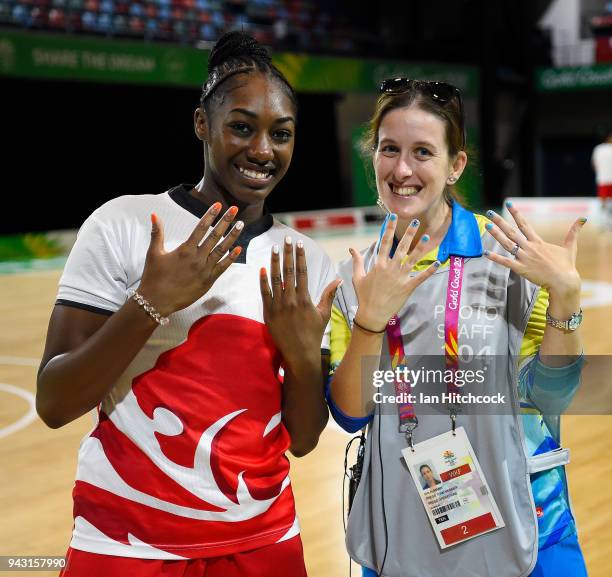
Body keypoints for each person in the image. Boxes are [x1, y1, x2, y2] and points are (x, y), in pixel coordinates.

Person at [36, 31, 339, 577]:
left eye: (282, 134)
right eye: (242, 127)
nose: (262, 151)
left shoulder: (306, 261)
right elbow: (55, 403)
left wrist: (302, 357)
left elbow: (304, 438)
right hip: (127, 542)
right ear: (202, 124)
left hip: (264, 540)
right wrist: (151, 302)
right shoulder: (128, 224)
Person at [327, 78, 588, 577]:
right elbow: (350, 416)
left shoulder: (508, 258)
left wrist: (566, 297)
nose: (402, 169)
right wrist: (370, 321)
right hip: (401, 528)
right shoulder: (353, 278)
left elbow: (551, 399)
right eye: (389, 149)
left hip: (528, 517)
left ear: (455, 166)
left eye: (423, 151)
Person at [591, 129, 612, 229]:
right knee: (605, 202)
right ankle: (606, 222)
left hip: (603, 179)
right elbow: (595, 164)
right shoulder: (599, 148)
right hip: (604, 179)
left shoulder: (598, 148)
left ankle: (606, 222)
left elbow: (594, 165)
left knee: (604, 202)